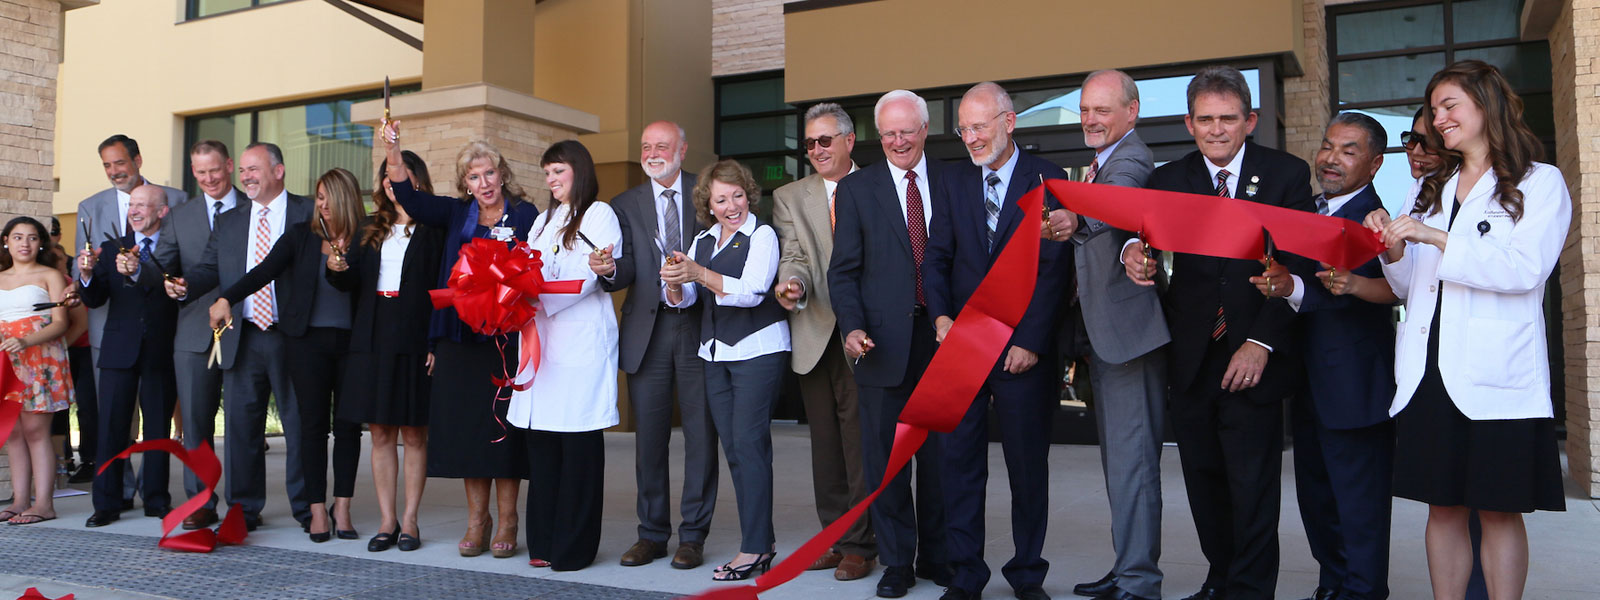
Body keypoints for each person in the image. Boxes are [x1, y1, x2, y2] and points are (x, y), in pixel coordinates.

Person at [1364, 59, 1568, 600]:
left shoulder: (1539, 182)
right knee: (1443, 505)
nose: (1438, 119)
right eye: (1434, 110)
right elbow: (1410, 287)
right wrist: (1394, 247)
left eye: (1449, 105)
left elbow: (1525, 271)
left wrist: (1438, 239)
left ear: (1487, 103)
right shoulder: (1433, 187)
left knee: (1499, 510)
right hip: (1429, 368)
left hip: (1496, 375)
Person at [1125, 66, 1314, 600]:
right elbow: (1139, 239)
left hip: (1254, 350)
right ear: (1189, 123)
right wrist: (1132, 253)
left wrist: (1260, 342)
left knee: (1252, 484)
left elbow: (1297, 268)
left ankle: (1251, 591)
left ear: (1250, 120)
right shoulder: (1166, 181)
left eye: (1228, 118)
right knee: (1204, 479)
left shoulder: (1286, 176)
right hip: (1190, 357)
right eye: (1205, 119)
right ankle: (1221, 579)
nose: (1216, 129)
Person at [922, 82, 1068, 600]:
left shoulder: (1047, 178)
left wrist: (1030, 339)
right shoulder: (954, 180)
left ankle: (1028, 576)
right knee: (958, 466)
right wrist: (940, 318)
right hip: (962, 345)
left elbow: (1053, 267)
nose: (971, 138)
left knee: (1027, 469)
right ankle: (966, 577)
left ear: (1010, 122)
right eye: (964, 128)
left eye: (980, 126)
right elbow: (937, 257)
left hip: (1021, 351)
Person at [1257, 112, 1399, 600]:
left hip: (1356, 383)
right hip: (1307, 381)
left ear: (1375, 163)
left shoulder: (1375, 221)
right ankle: (1333, 584)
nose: (1330, 159)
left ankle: (1362, 591)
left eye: (1348, 150)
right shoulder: (1309, 208)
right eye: (1327, 146)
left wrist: (1292, 287)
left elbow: (1361, 291)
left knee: (1358, 502)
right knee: (1317, 497)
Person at [380, 119, 536, 559]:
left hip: (504, 340)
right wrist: (394, 150)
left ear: (502, 174)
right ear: (465, 182)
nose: (483, 183)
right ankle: (477, 520)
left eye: (489, 173)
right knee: (469, 431)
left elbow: (536, 272)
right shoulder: (454, 213)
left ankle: (508, 519)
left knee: (502, 431)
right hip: (459, 339)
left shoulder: (524, 215)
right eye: (474, 176)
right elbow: (408, 195)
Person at [1047, 70, 1170, 600]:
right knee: (1119, 464)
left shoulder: (1132, 160)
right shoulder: (1102, 162)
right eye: (1084, 110)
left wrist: (1076, 219)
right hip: (1104, 336)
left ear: (1131, 113)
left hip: (1129, 336)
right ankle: (1127, 567)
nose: (1091, 120)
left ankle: (1140, 581)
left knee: (1134, 463)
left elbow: (1116, 204)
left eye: (1102, 110)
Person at [828, 89, 950, 599]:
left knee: (944, 460)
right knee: (887, 463)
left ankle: (940, 557)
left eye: (908, 130)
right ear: (879, 137)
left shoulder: (952, 179)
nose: (899, 140)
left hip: (944, 340)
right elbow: (844, 271)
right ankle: (898, 562)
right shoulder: (857, 190)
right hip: (879, 343)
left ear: (925, 129)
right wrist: (852, 327)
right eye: (889, 133)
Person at [205, 167, 365, 543]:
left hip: (353, 347)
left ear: (345, 198)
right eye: (319, 196)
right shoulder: (299, 236)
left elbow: (356, 283)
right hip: (306, 344)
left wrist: (340, 270)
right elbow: (262, 272)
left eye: (328, 197)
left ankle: (341, 506)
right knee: (311, 428)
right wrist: (227, 298)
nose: (321, 204)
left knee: (347, 429)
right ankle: (315, 510)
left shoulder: (366, 238)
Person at [587, 121, 718, 571]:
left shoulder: (708, 192)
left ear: (683, 148)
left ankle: (693, 537)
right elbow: (624, 271)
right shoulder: (625, 204)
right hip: (650, 330)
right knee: (650, 442)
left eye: (662, 145)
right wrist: (605, 269)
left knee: (701, 436)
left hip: (700, 326)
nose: (653, 152)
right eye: (646, 146)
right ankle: (652, 535)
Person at [163, 142, 312, 532]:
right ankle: (244, 508)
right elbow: (209, 270)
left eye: (253, 169)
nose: (245, 177)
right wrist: (184, 287)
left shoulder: (308, 212)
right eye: (243, 171)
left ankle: (306, 507)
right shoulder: (231, 221)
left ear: (278, 171)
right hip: (243, 337)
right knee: (242, 428)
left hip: (294, 337)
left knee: (300, 425)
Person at [662, 159, 791, 581]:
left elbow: (752, 292)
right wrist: (675, 283)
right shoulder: (702, 240)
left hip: (758, 351)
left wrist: (699, 272)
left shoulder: (763, 234)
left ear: (748, 194)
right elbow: (685, 304)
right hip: (715, 355)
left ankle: (754, 549)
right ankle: (762, 542)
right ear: (708, 204)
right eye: (721, 199)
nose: (731, 205)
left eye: (737, 195)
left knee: (751, 447)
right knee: (735, 451)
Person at [770, 102, 877, 581]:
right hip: (814, 328)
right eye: (809, 143)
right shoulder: (790, 196)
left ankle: (863, 543)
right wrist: (790, 284)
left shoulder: (879, 186)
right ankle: (834, 537)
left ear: (849, 141)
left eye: (824, 141)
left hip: (867, 334)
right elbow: (794, 255)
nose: (815, 150)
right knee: (826, 446)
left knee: (860, 443)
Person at [504, 140, 622, 571]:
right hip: (541, 344)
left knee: (577, 448)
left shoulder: (600, 213)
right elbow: (524, 268)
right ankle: (544, 542)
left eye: (560, 171)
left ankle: (573, 548)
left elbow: (590, 275)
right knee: (544, 445)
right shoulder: (540, 220)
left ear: (579, 170)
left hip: (578, 345)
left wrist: (533, 302)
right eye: (548, 173)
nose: (552, 181)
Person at [328, 151, 442, 553]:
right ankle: (387, 520)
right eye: (388, 178)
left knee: (413, 432)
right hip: (372, 332)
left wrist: (435, 340)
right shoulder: (369, 227)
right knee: (379, 432)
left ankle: (410, 519)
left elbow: (445, 289)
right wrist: (337, 267)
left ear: (418, 182)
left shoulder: (435, 228)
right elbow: (348, 283)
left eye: (403, 177)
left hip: (414, 333)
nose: (394, 185)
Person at [78, 185, 179, 527]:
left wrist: (138, 271)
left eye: (143, 205)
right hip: (119, 349)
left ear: (162, 211)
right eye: (132, 205)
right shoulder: (109, 247)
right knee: (110, 429)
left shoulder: (174, 246)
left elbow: (175, 290)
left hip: (161, 349)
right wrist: (87, 275)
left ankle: (156, 499)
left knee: (157, 430)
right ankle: (106, 503)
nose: (134, 211)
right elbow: (94, 300)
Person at [154, 139, 241, 530]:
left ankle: (245, 505)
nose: (208, 179)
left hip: (247, 328)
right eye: (201, 172)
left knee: (245, 424)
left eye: (215, 170)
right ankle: (201, 502)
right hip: (192, 333)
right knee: (195, 425)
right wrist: (169, 284)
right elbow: (167, 268)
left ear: (231, 166)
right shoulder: (179, 216)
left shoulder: (255, 206)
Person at [0, 217, 74, 525]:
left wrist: (25, 339)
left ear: (41, 242)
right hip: (7, 359)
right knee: (13, 432)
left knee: (35, 430)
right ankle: (19, 500)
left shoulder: (51, 275)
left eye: (31, 238)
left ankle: (44, 503)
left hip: (39, 355)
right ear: (6, 241)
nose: (24, 243)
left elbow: (61, 322)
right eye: (17, 237)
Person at [1402, 107, 1446, 182]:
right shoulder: (1416, 189)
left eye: (1430, 143)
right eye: (1413, 139)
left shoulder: (1465, 192)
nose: (1416, 152)